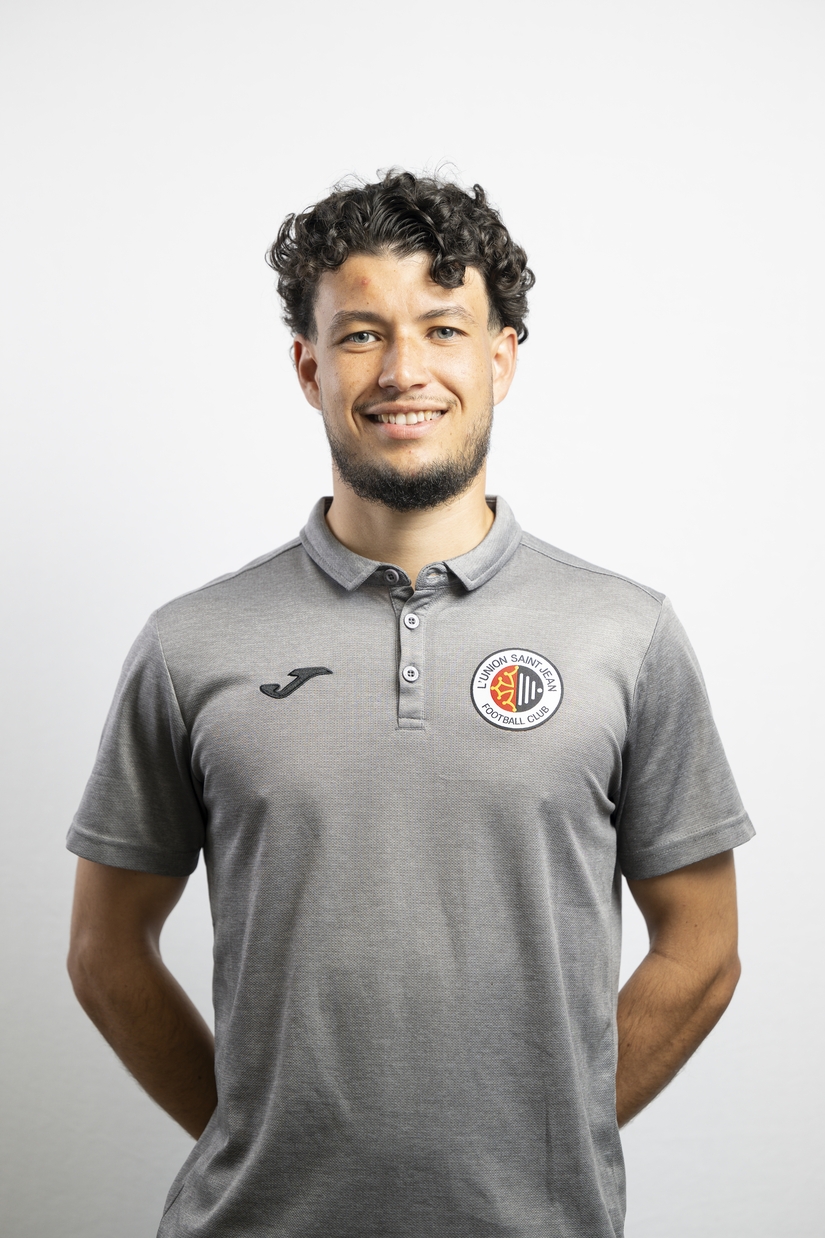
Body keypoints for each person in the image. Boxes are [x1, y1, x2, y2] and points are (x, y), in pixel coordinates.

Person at [66, 170, 754, 1238]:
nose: (403, 371)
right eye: (361, 335)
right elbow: (105, 951)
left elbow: (702, 949)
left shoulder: (628, 635)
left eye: (442, 328)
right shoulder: (189, 645)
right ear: (309, 366)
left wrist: (548, 1139)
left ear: (500, 357)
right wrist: (261, 1135)